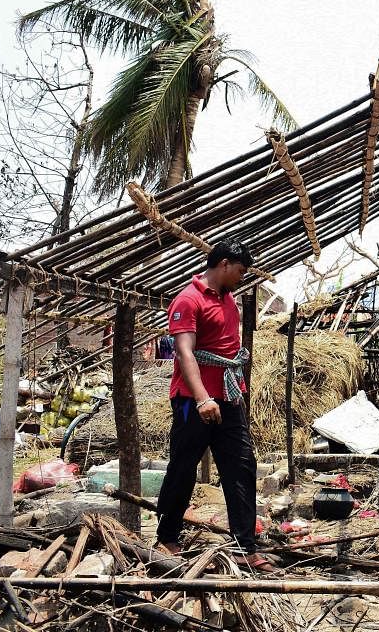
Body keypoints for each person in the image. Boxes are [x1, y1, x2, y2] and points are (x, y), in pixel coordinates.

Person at [154, 239, 275, 571]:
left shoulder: (229, 300)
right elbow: (184, 352)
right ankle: (166, 538)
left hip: (229, 396)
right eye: (239, 271)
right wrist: (202, 397)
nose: (241, 277)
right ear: (223, 264)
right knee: (183, 467)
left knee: (242, 466)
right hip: (194, 401)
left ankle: (244, 547)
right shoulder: (188, 300)